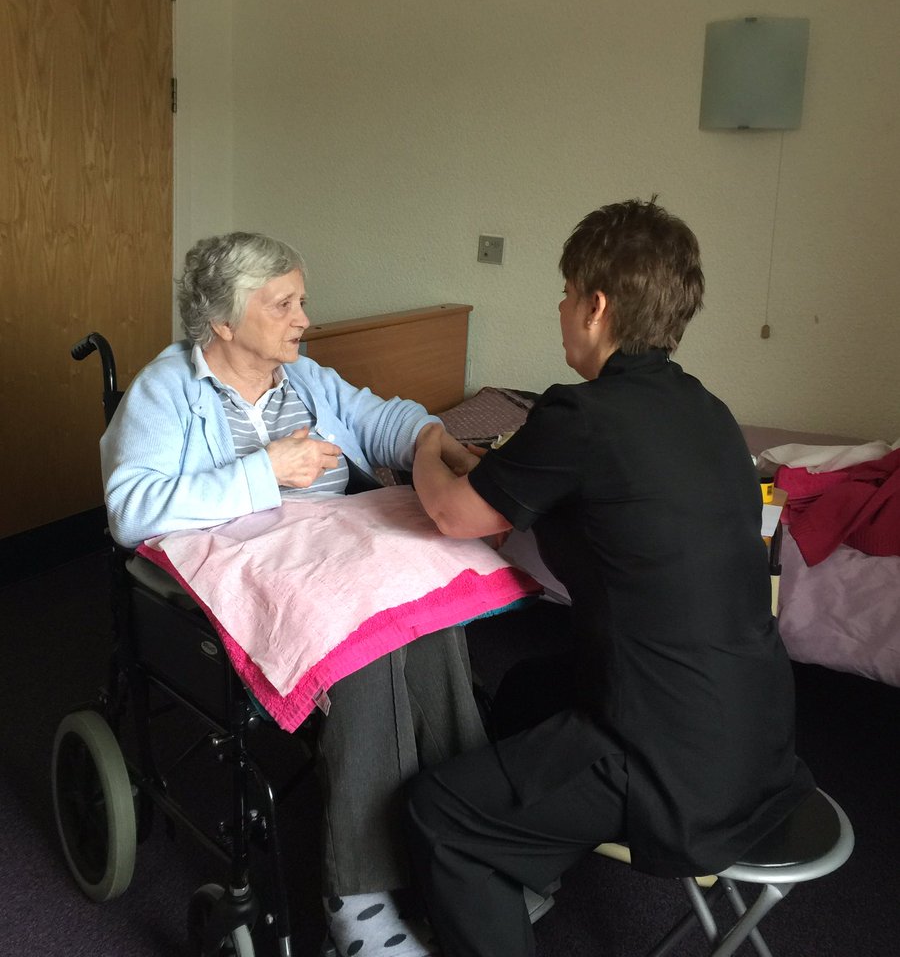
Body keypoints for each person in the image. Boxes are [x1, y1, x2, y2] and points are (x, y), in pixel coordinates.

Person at [407, 198, 815, 957]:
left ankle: (482, 862)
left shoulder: (581, 415)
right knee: (528, 688)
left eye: (566, 292)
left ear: (596, 307)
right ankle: (522, 863)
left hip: (668, 757)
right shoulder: (708, 412)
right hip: (758, 731)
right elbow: (542, 488)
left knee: (440, 813)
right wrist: (483, 469)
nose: (560, 307)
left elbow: (454, 515)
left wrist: (427, 440)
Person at [101, 231, 487, 957]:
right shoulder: (166, 391)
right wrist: (266, 469)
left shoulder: (302, 379)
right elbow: (130, 508)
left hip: (328, 566)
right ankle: (359, 901)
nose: (303, 319)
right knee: (364, 649)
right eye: (284, 304)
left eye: (301, 301)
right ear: (223, 320)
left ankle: (467, 843)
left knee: (436, 621)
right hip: (236, 589)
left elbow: (380, 418)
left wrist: (435, 441)